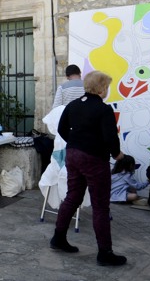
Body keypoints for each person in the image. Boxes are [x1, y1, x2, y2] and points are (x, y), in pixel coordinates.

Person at [51, 70, 127, 266]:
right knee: (100, 206)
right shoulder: (104, 110)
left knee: (72, 197)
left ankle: (58, 238)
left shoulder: (73, 105)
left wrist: (76, 143)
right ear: (101, 89)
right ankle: (105, 253)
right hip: (94, 160)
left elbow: (61, 129)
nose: (108, 90)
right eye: (107, 86)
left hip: (73, 155)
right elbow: (111, 139)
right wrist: (119, 156)